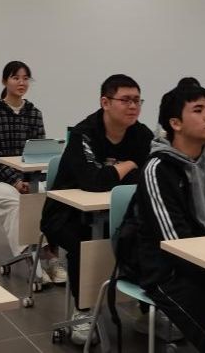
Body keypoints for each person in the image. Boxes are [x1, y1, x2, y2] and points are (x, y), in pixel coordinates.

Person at [41, 74, 154, 345]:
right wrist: (129, 165)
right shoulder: (84, 133)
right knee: (85, 242)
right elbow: (92, 181)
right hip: (66, 213)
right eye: (125, 100)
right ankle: (83, 311)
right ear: (105, 102)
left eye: (137, 100)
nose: (133, 106)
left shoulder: (141, 134)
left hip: (117, 210)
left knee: (147, 235)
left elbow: (150, 174)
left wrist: (115, 173)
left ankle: (147, 310)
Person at [126, 84, 205, 353]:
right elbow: (175, 242)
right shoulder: (158, 169)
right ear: (175, 123)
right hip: (170, 272)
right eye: (198, 110)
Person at [0, 61, 63, 284]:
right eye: (16, 78)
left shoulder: (34, 113)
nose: (21, 82)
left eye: (25, 78)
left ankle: (50, 256)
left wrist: (26, 179)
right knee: (15, 202)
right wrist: (15, 181)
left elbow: (40, 153)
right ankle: (33, 259)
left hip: (28, 177)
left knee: (49, 199)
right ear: (5, 81)